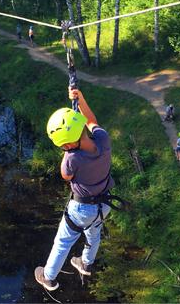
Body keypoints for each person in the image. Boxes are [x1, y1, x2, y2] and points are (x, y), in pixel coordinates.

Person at [35, 88, 115, 291]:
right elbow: (91, 120)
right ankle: (86, 263)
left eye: (63, 146)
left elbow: (66, 176)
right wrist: (80, 100)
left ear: (69, 144)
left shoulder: (71, 159)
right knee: (93, 233)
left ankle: (49, 277)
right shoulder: (103, 140)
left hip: (81, 209)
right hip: (103, 204)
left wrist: (68, 151)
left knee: (63, 241)